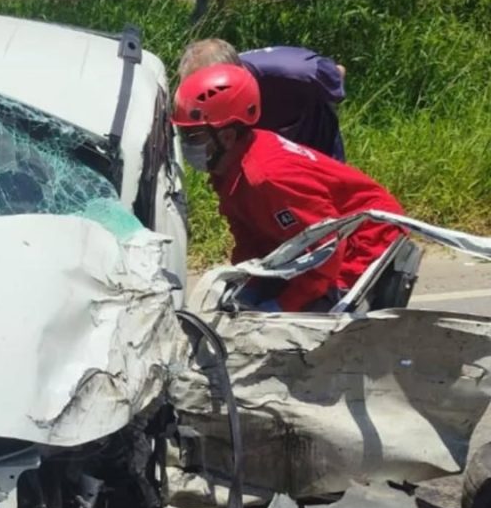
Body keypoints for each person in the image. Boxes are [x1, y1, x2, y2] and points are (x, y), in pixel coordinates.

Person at [172, 63, 404, 312]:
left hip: (365, 239)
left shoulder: (268, 178)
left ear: (227, 137)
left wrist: (283, 305)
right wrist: (248, 283)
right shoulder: (230, 169)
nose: (187, 145)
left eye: (194, 137)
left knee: (302, 323)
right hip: (321, 242)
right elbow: (250, 237)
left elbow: (326, 247)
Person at [178, 39, 347, 161]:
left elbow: (337, 73)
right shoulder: (205, 94)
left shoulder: (294, 73)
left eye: (209, 93)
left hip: (317, 148)